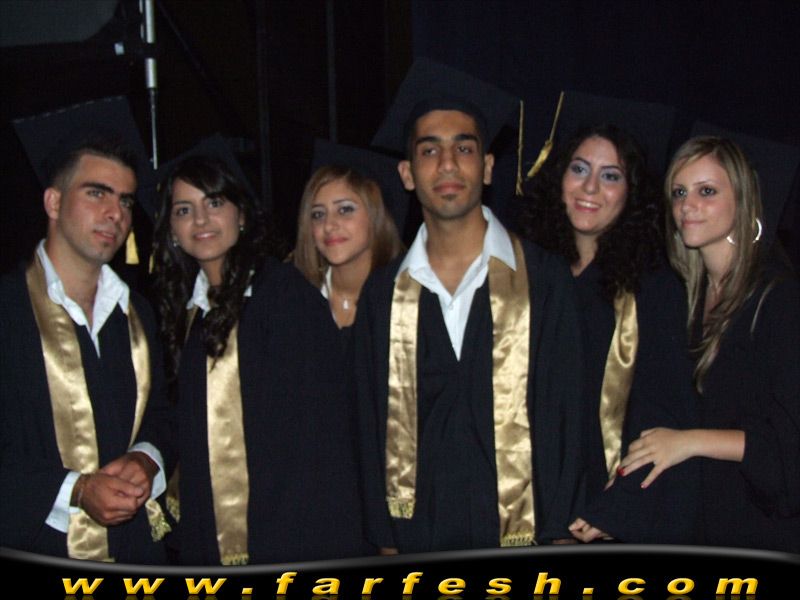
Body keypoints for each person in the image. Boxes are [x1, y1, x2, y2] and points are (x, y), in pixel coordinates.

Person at [356, 58, 585, 553]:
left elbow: (569, 414)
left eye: (464, 148)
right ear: (407, 173)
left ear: (487, 166)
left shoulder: (543, 279)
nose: (447, 164)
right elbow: (369, 426)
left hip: (525, 537)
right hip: (420, 540)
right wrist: (386, 541)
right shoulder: (383, 295)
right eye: (429, 150)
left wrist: (563, 531)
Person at [151, 151, 370, 564]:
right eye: (184, 210)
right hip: (211, 538)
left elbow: (318, 441)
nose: (200, 220)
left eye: (214, 202)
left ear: (242, 216)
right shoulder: (188, 312)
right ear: (173, 231)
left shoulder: (285, 296)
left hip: (289, 539)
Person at [1, 99, 172, 563]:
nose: (116, 213)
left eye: (125, 200)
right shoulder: (9, 309)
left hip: (137, 554)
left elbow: (161, 413)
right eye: (97, 193)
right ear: (53, 202)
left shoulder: (136, 313)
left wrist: (146, 457)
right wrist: (74, 490)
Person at [519, 123, 701, 544]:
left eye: (611, 176)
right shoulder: (528, 273)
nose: (590, 187)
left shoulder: (652, 287)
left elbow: (662, 411)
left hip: (603, 506)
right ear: (559, 178)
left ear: (630, 193)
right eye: (579, 169)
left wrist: (617, 506)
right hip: (527, 500)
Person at [618, 136, 800, 552]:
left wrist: (689, 441)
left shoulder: (780, 301)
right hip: (702, 521)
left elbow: (788, 447)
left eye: (707, 191)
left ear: (743, 199)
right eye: (679, 193)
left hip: (763, 530)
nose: (688, 205)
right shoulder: (681, 297)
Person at [294, 142, 404, 329]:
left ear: (376, 216)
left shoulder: (407, 301)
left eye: (345, 210)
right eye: (318, 214)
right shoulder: (292, 300)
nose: (329, 225)